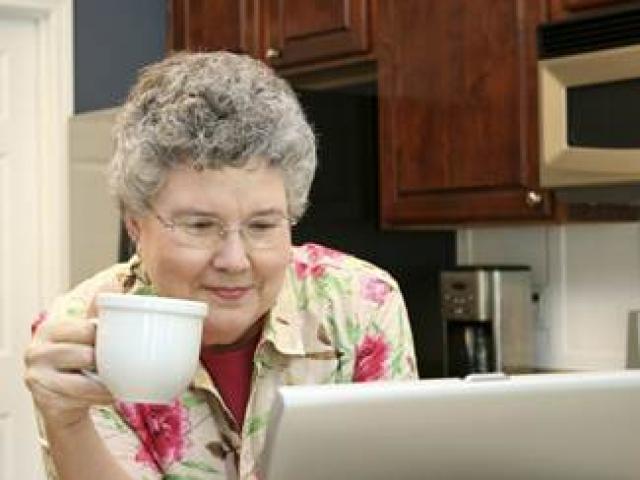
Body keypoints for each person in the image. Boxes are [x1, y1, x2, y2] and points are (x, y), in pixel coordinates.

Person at [24, 51, 418, 480]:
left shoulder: (360, 304)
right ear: (135, 224)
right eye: (199, 225)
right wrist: (68, 424)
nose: (234, 261)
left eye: (263, 225)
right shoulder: (83, 332)